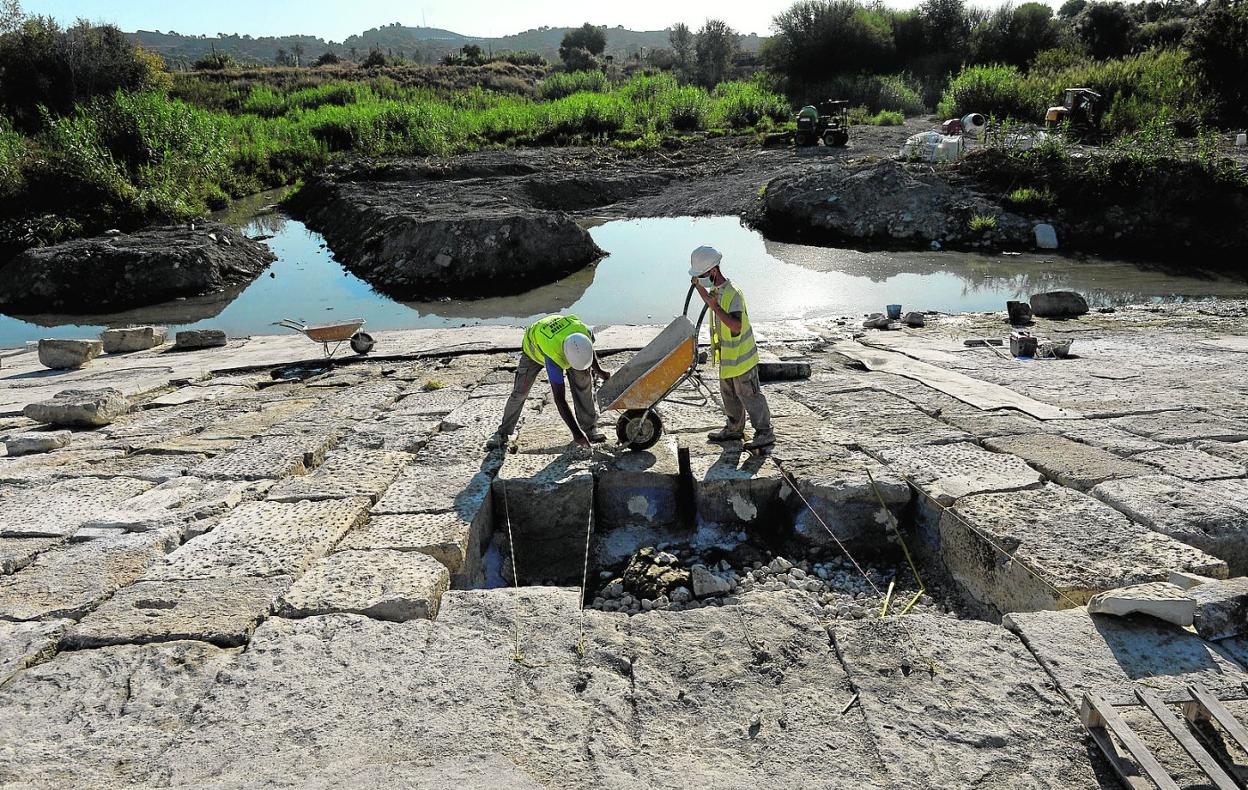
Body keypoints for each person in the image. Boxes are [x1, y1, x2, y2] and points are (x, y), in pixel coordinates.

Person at [688, 245, 775, 451]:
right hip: (728, 357)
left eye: (702, 275)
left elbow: (735, 326)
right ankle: (734, 429)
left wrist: (715, 306)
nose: (701, 278)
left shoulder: (733, 293)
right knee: (729, 396)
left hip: (742, 357)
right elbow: (710, 300)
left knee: (749, 395)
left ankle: (765, 432)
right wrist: (698, 286)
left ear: (713, 271)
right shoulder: (717, 290)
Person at [486, 313, 611, 450]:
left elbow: (587, 351)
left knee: (583, 381)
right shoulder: (554, 358)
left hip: (561, 341)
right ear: (565, 357)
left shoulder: (584, 332)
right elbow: (559, 399)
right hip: (534, 351)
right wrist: (576, 433)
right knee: (520, 392)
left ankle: (589, 427)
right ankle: (502, 433)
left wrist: (599, 371)